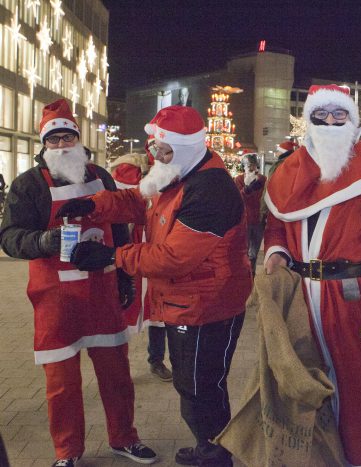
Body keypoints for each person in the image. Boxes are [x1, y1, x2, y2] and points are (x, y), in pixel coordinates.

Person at [56, 105, 252, 467]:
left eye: (164, 150)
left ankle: (215, 454)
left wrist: (112, 257)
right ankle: (209, 445)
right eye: (153, 148)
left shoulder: (210, 189)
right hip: (187, 301)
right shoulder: (178, 171)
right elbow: (138, 200)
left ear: (186, 147)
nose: (156, 156)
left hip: (207, 305)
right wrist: (95, 205)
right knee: (191, 384)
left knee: (200, 387)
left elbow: (173, 257)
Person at [0, 99, 157, 467]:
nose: (61, 145)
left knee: (117, 375)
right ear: (44, 144)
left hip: (101, 292)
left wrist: (124, 278)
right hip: (55, 299)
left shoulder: (100, 176)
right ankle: (67, 451)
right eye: (54, 139)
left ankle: (124, 437)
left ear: (78, 140)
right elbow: (8, 236)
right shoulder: (28, 186)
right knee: (62, 384)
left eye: (67, 137)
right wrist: (41, 241)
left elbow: (119, 227)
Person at [263, 84, 361, 466]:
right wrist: (277, 252)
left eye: (339, 114)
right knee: (303, 381)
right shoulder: (289, 170)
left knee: (357, 386)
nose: (330, 122)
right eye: (321, 115)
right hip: (300, 294)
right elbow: (278, 222)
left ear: (352, 118)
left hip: (353, 296)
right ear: (308, 120)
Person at [111, 149, 172, 382]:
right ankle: (118, 364)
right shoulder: (130, 171)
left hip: (159, 249)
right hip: (134, 248)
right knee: (125, 307)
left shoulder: (175, 172)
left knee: (159, 309)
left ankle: (156, 360)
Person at [234, 152, 266, 274]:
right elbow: (238, 198)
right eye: (247, 165)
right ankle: (244, 274)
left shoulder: (262, 179)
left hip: (258, 220)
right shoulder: (239, 179)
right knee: (245, 250)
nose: (250, 167)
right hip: (245, 220)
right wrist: (247, 189)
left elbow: (265, 198)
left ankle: (251, 272)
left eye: (252, 164)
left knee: (254, 251)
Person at [259, 140, 297, 226]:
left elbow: (271, 186)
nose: (276, 153)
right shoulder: (292, 163)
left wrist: (264, 209)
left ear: (283, 152)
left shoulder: (280, 165)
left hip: (275, 208)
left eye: (278, 151)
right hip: (286, 209)